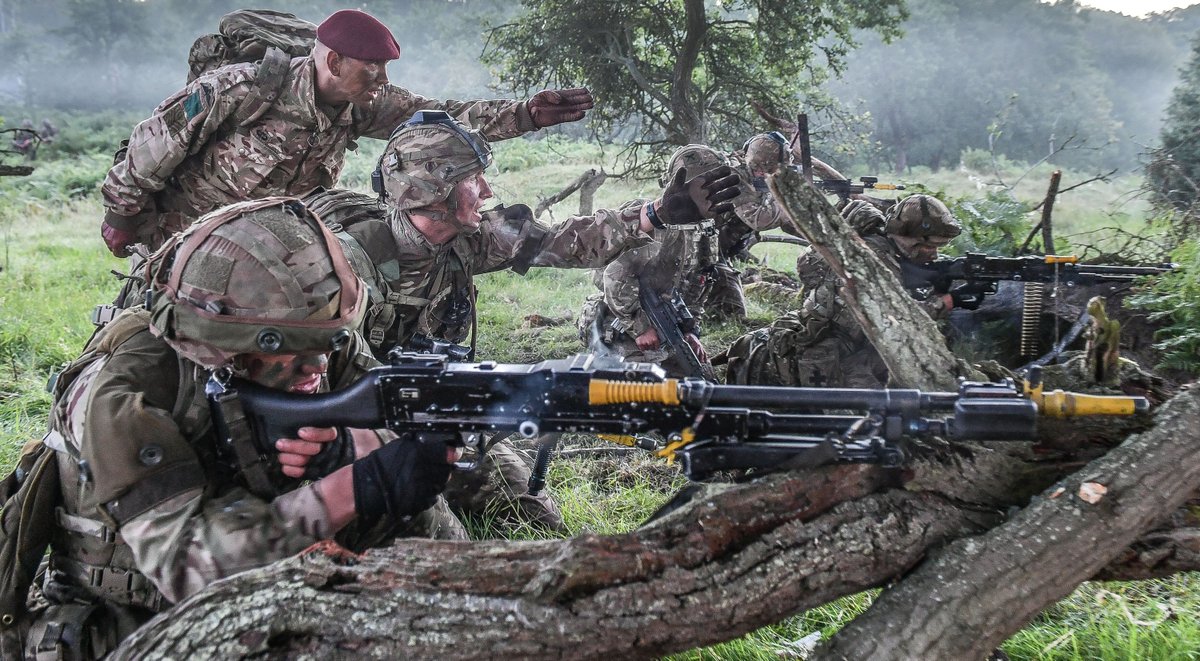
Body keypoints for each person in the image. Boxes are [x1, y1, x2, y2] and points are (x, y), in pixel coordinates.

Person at [17, 198, 458, 657]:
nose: (318, 366)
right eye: (293, 350)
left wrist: (349, 447)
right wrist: (352, 488)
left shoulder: (309, 332)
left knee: (415, 508)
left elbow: (387, 413)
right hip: (138, 615)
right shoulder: (124, 395)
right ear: (227, 346)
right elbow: (191, 571)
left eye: (328, 341)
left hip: (254, 556)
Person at [302, 111, 740, 533]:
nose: (487, 191)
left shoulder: (467, 242)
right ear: (431, 190)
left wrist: (655, 214)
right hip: (349, 428)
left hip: (433, 413)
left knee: (529, 515)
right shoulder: (348, 262)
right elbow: (304, 375)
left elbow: (561, 241)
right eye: (472, 180)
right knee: (423, 529)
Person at [99, 8, 595, 259]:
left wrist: (527, 113)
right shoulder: (238, 89)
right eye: (372, 68)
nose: (381, 79)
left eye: (383, 68)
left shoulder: (363, 103)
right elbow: (150, 149)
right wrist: (123, 217)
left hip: (277, 243)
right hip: (187, 235)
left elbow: (441, 117)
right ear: (333, 61)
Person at [725, 194, 969, 388]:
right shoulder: (871, 261)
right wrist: (946, 301)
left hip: (846, 346)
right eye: (929, 246)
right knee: (877, 419)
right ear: (907, 237)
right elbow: (894, 323)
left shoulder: (881, 249)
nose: (934, 254)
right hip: (820, 356)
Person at [577, 144, 727, 377]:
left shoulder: (704, 229)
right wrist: (640, 328)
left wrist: (690, 331)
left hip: (668, 321)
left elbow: (700, 283)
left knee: (702, 381)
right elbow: (614, 276)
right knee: (641, 384)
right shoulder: (651, 219)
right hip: (619, 319)